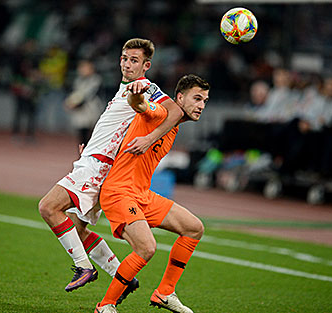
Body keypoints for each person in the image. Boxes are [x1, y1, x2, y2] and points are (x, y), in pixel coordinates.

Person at [37, 38, 183, 302]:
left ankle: (84, 268)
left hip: (96, 168)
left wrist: (150, 139)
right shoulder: (123, 88)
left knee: (48, 207)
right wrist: (93, 148)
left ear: (146, 65)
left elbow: (175, 111)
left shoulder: (145, 88)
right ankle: (120, 274)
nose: (127, 64)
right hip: (93, 161)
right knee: (78, 232)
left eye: (134, 60)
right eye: (125, 59)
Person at [94, 74, 210, 313]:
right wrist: (136, 94)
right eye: (196, 98)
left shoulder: (173, 127)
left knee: (194, 228)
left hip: (142, 194)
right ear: (179, 97)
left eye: (205, 101)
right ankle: (105, 306)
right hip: (119, 191)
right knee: (146, 248)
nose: (201, 105)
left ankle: (165, 292)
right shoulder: (163, 113)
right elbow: (142, 106)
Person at [64, 59, 102, 145]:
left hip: (91, 109)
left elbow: (89, 95)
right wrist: (70, 102)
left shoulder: (95, 80)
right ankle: (83, 154)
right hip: (81, 111)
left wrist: (75, 103)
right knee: (82, 135)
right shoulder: (78, 80)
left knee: (92, 134)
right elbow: (75, 93)